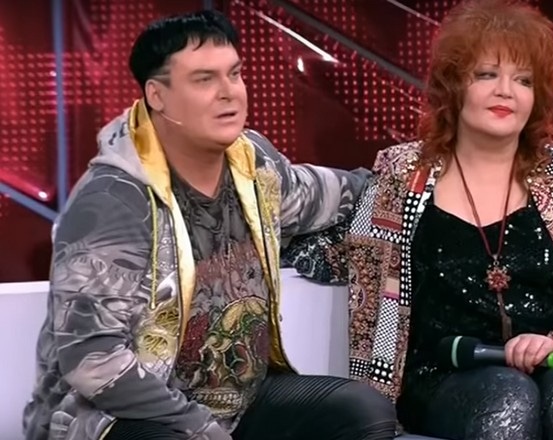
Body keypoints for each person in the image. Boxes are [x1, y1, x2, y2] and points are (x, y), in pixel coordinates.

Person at [22, 10, 397, 440]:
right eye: (204, 80)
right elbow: (93, 361)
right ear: (157, 95)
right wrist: (197, 426)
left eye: (234, 74)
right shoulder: (112, 202)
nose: (229, 92)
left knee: (361, 410)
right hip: (121, 418)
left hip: (239, 403)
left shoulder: (253, 165)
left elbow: (331, 194)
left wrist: (413, 176)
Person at [283, 1, 553, 439]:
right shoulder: (402, 176)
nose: (506, 91)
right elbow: (342, 252)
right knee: (510, 394)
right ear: (453, 85)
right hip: (443, 376)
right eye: (487, 74)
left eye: (523, 80)